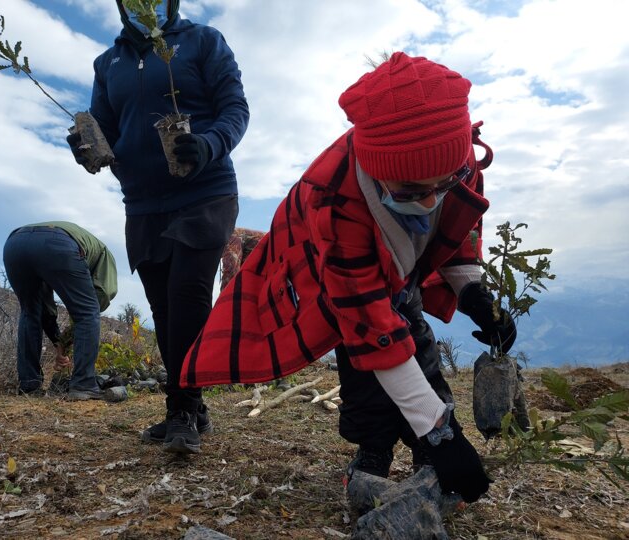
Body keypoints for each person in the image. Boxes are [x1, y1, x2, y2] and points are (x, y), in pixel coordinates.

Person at [180, 52, 517, 503]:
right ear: (380, 176)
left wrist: (472, 289)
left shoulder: (456, 155)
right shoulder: (335, 203)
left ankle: (424, 456)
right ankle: (373, 451)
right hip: (328, 270)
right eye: (414, 192)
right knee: (364, 359)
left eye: (446, 182)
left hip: (401, 271)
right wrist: (444, 434)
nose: (431, 200)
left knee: (417, 342)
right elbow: (371, 327)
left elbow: (458, 223)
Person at [68, 1, 249, 454]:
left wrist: (207, 144)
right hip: (143, 203)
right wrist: (87, 146)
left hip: (205, 190)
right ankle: (195, 406)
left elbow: (235, 109)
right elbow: (105, 126)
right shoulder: (107, 63)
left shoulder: (204, 41)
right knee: (164, 309)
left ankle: (182, 409)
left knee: (187, 296)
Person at [3, 221, 118, 400]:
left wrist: (59, 342)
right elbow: (100, 297)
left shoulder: (81, 248)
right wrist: (70, 336)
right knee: (88, 312)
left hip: (14, 244)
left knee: (30, 312)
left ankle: (29, 384)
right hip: (57, 243)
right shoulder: (104, 255)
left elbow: (45, 308)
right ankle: (83, 385)